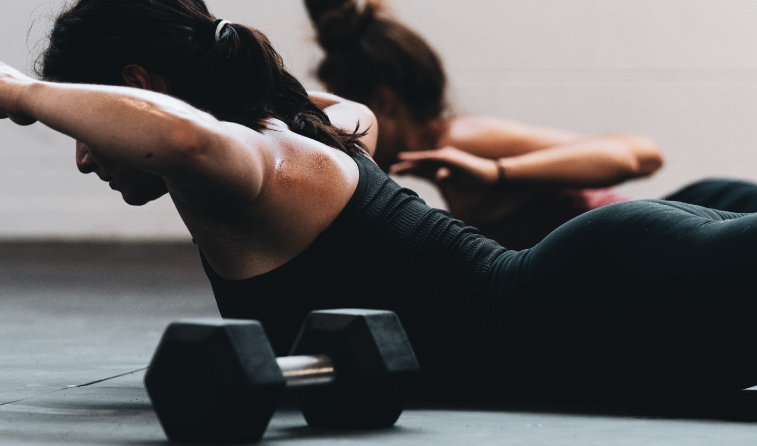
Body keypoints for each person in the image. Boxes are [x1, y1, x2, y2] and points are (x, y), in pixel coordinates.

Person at [3, 0, 757, 404]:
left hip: (598, 307)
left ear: (141, 92)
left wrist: (22, 93)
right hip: (607, 297)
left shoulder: (253, 162)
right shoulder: (316, 127)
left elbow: (187, 142)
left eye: (80, 123)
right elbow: (331, 106)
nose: (81, 154)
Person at [303, 0, 757, 250]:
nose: (344, 130)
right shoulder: (438, 166)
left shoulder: (463, 139)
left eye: (347, 111)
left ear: (383, 100)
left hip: (686, 228)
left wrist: (499, 173)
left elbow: (640, 154)